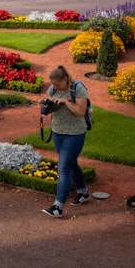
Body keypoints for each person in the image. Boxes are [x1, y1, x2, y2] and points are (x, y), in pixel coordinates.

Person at [41, 65, 91, 217]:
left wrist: (65, 102)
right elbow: (51, 108)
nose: (54, 87)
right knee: (71, 164)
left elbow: (80, 111)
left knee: (63, 169)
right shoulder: (54, 88)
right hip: (58, 132)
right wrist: (47, 107)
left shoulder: (78, 88)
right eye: (53, 84)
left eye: (57, 84)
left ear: (65, 79)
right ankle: (83, 192)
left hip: (75, 134)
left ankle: (58, 206)